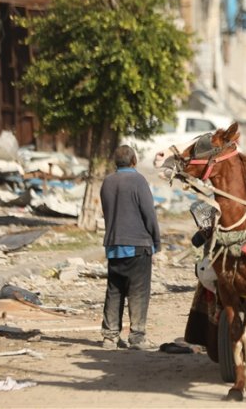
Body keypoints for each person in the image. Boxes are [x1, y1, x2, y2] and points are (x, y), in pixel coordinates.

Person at [100, 145, 161, 350]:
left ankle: (109, 337)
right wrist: (156, 241)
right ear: (134, 161)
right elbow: (149, 214)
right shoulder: (139, 181)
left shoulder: (107, 182)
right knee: (138, 292)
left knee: (114, 290)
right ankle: (137, 337)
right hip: (138, 245)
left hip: (114, 244)